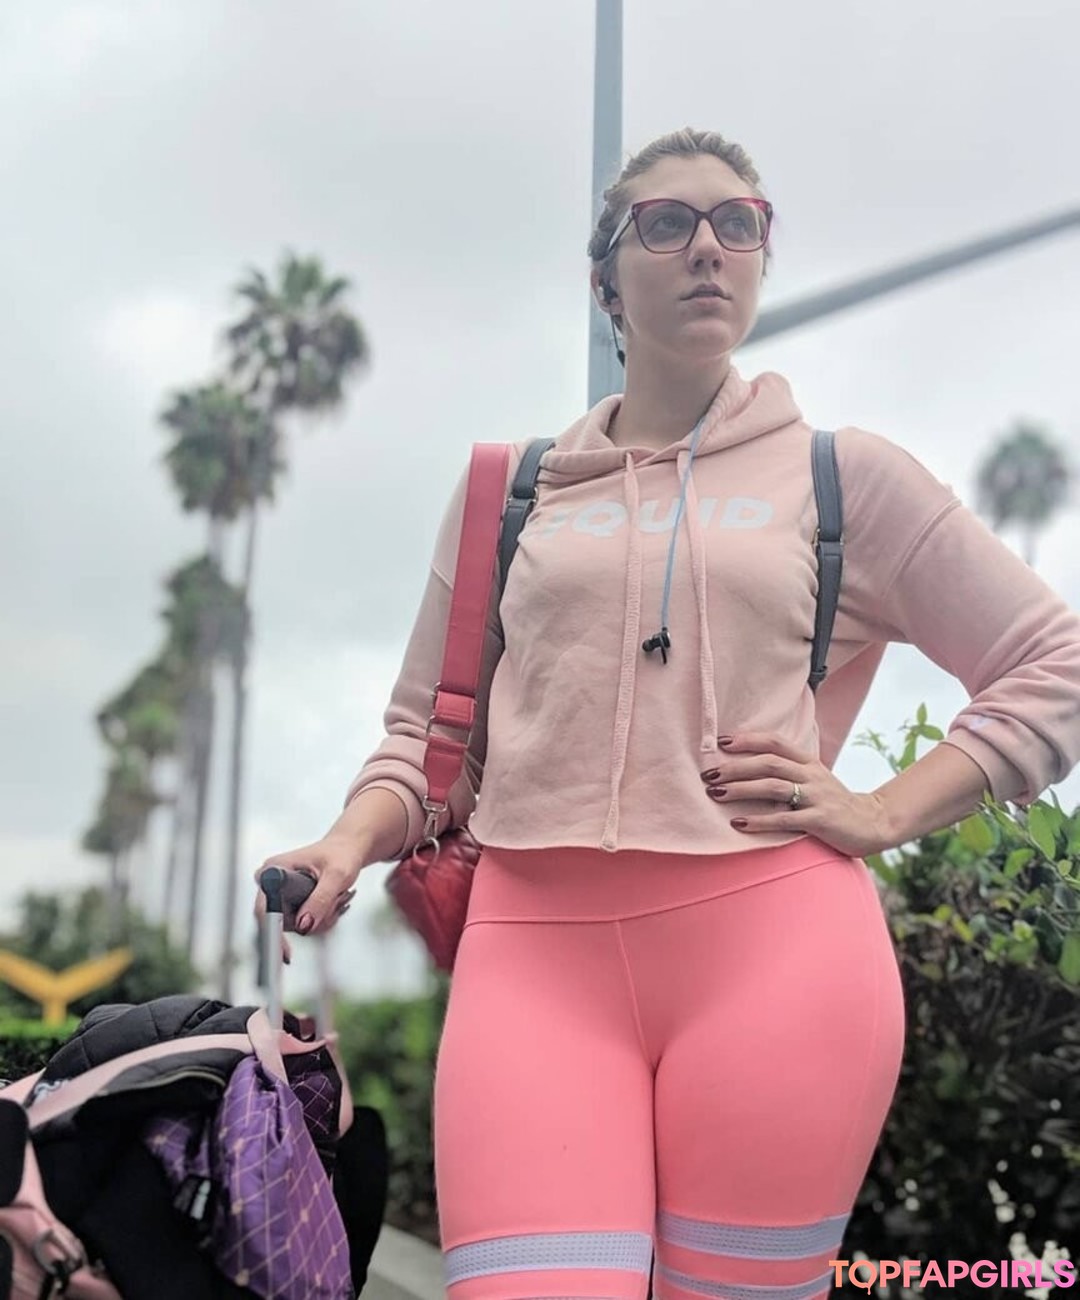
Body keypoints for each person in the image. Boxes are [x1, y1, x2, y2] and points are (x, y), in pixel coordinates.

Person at [260, 128, 1080, 1299]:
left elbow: (1054, 660)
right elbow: (429, 743)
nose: (708, 246)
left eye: (738, 223)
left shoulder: (844, 477)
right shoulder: (512, 488)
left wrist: (885, 811)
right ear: (606, 280)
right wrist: (349, 840)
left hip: (780, 952)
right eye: (667, 223)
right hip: (531, 959)